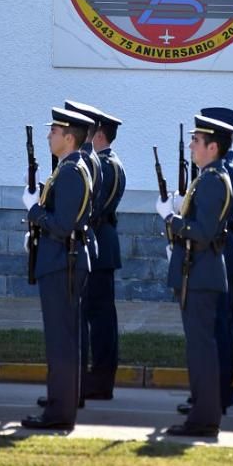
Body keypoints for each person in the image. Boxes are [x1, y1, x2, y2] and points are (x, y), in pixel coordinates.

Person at [156, 114, 233, 437]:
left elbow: (202, 232)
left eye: (196, 141)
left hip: (201, 275)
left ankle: (203, 419)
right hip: (197, 272)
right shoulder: (208, 177)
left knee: (202, 349)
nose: (191, 145)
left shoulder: (214, 180)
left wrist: (171, 219)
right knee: (199, 348)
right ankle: (203, 414)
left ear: (212, 147)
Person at [21, 107, 94, 431]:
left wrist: (34, 211)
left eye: (54, 131)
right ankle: (59, 405)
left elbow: (63, 225)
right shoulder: (70, 168)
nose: (49, 136)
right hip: (63, 261)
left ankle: (59, 412)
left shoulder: (70, 171)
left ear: (68, 137)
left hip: (63, 262)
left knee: (60, 341)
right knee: (62, 338)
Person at [177, 107, 233, 417]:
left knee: (215, 330)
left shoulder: (224, 173)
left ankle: (214, 395)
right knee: (219, 329)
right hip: (226, 251)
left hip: (219, 253)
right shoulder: (231, 168)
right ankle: (217, 394)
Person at [84, 109, 126, 400]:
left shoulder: (104, 165)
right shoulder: (108, 163)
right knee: (99, 317)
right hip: (102, 243)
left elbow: (92, 207)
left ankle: (100, 380)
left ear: (98, 134)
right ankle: (98, 378)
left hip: (99, 245)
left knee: (99, 319)